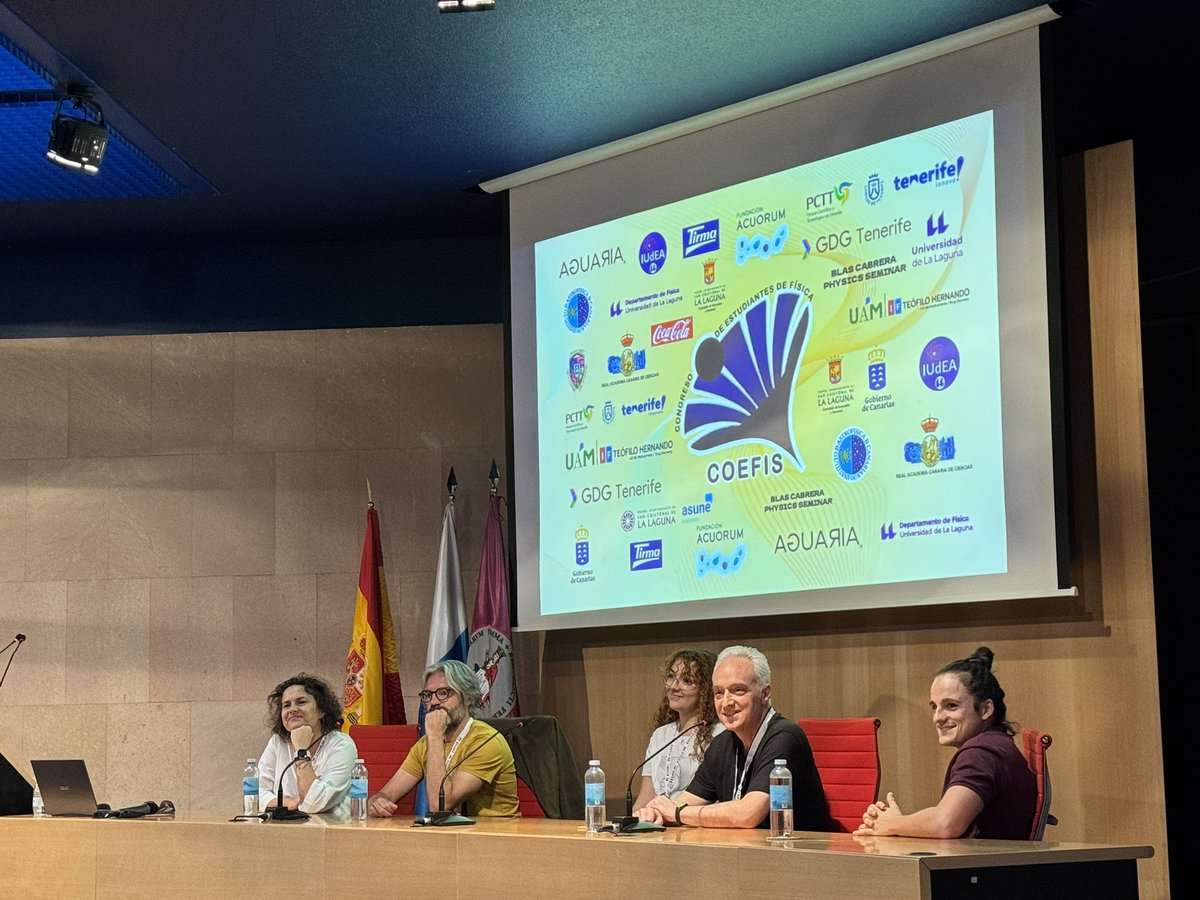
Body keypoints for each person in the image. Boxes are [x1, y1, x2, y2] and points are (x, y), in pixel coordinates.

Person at [635, 645, 829, 829]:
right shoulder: (722, 744)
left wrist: (678, 814)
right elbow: (682, 802)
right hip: (746, 852)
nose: (726, 702)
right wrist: (655, 813)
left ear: (765, 694)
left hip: (798, 854)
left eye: (738, 690)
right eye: (719, 693)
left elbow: (748, 814)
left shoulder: (785, 736)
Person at [855, 646, 1036, 840]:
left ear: (986, 709)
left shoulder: (980, 754)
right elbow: (943, 816)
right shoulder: (997, 744)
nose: (938, 718)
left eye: (951, 706)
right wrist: (899, 823)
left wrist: (890, 824)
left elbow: (946, 824)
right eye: (935, 707)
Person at [367, 659, 518, 817]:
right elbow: (386, 794)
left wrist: (435, 736)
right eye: (428, 695)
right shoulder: (425, 745)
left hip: (493, 836)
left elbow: (441, 804)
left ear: (467, 698)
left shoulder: (486, 741)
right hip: (449, 835)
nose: (433, 702)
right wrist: (377, 803)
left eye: (443, 693)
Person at [632, 648, 723, 812]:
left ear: (706, 690)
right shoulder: (661, 735)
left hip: (696, 826)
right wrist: (630, 825)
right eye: (671, 676)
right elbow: (645, 799)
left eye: (686, 680)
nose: (673, 686)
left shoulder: (720, 734)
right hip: (657, 826)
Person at [259, 673, 358, 816]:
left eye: (301, 702)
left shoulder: (342, 745)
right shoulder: (278, 742)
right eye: (286, 705)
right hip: (286, 828)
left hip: (331, 831)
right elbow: (254, 794)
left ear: (321, 710)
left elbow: (315, 803)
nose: (292, 709)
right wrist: (289, 803)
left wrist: (301, 750)